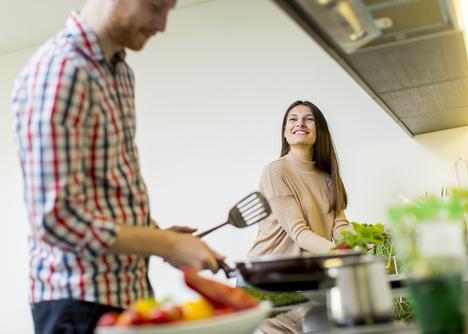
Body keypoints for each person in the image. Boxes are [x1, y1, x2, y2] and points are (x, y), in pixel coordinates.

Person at [11, 1, 222, 333]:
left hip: (127, 294)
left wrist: (160, 237)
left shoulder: (120, 71)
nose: (162, 24)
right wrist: (165, 244)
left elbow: (104, 193)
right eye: (155, 6)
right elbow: (54, 218)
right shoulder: (60, 70)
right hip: (78, 304)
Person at [248, 100, 353, 259]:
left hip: (306, 272)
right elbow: (299, 232)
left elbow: (340, 229)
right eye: (293, 119)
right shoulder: (275, 171)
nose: (300, 124)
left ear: (320, 130)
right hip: (266, 274)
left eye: (309, 119)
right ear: (285, 131)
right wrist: (342, 253)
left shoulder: (328, 179)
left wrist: (372, 241)